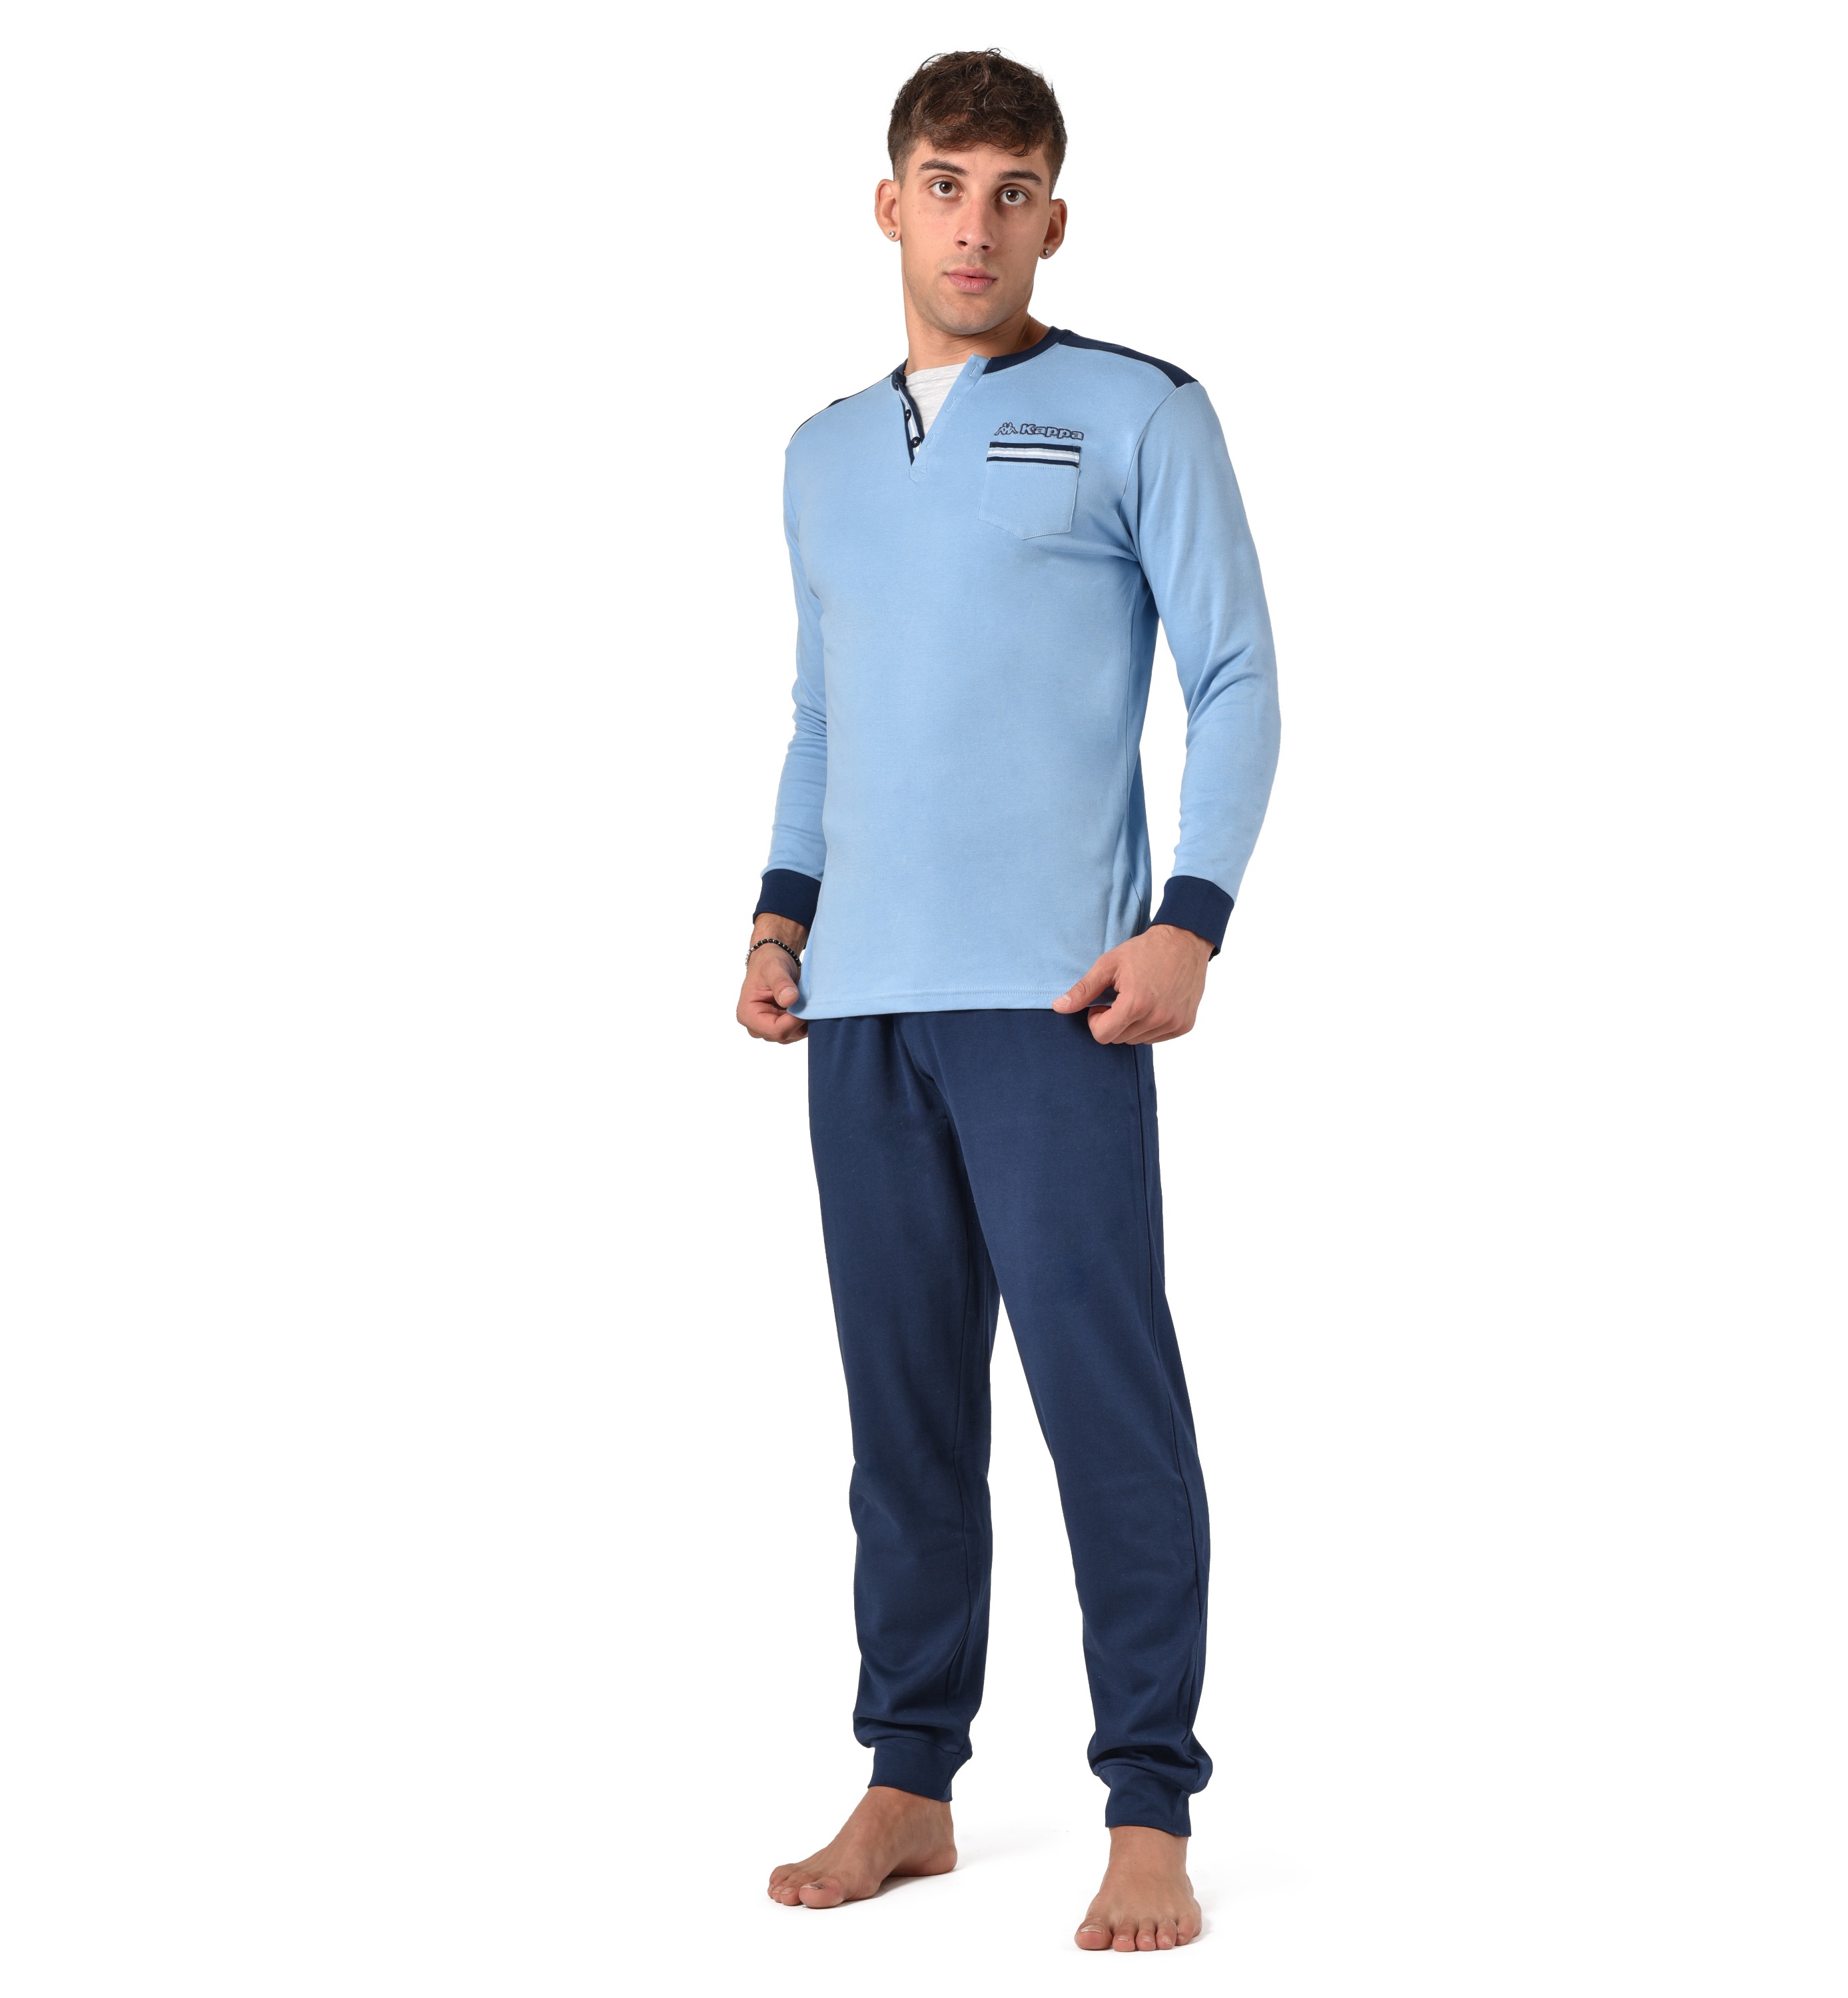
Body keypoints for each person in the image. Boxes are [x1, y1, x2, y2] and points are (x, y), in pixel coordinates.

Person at [737, 49, 1280, 1953]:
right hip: (863, 1009)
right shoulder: (820, 455)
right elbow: (824, 714)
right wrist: (781, 917)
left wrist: (1191, 921)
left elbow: (1235, 675)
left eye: (1015, 191)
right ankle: (910, 1780)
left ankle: (1149, 1806)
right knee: (901, 1421)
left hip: (1058, 1000)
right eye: (948, 185)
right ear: (891, 203)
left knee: (1104, 1403)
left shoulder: (1138, 411)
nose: (978, 225)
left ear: (1057, 216)